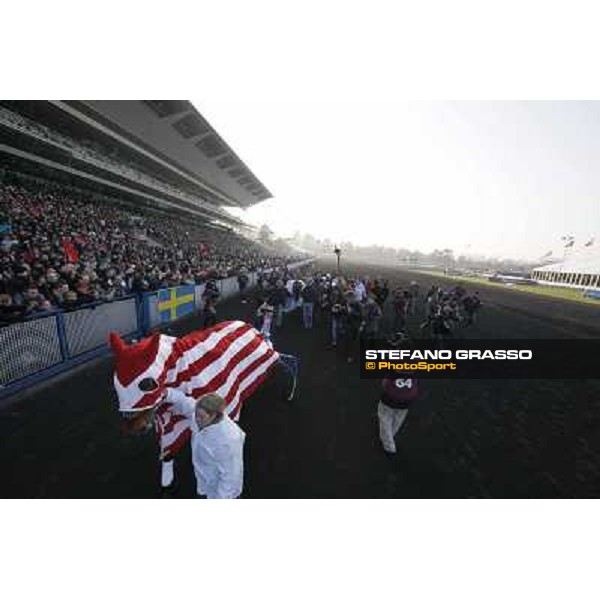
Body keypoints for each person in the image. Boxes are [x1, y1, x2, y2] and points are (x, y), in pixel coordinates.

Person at [165, 390, 246, 499]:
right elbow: (186, 403)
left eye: (201, 417)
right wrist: (167, 393)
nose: (196, 419)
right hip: (203, 479)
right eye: (197, 415)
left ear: (214, 416)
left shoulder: (228, 441)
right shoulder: (203, 417)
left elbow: (230, 478)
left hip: (216, 492)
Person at [377, 333, 420, 455]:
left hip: (391, 395)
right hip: (409, 397)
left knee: (384, 416)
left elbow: (386, 377)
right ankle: (390, 436)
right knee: (398, 418)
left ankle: (389, 445)